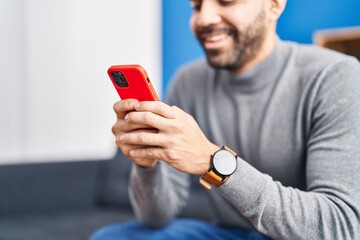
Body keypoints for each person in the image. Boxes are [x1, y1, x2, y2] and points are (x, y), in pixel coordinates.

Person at [91, 0, 360, 239]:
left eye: (226, 1)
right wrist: (146, 165)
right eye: (196, 6)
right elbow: (155, 218)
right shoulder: (188, 82)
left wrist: (213, 162)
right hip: (224, 232)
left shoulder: (336, 76)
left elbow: (341, 227)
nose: (204, 18)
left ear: (274, 5)